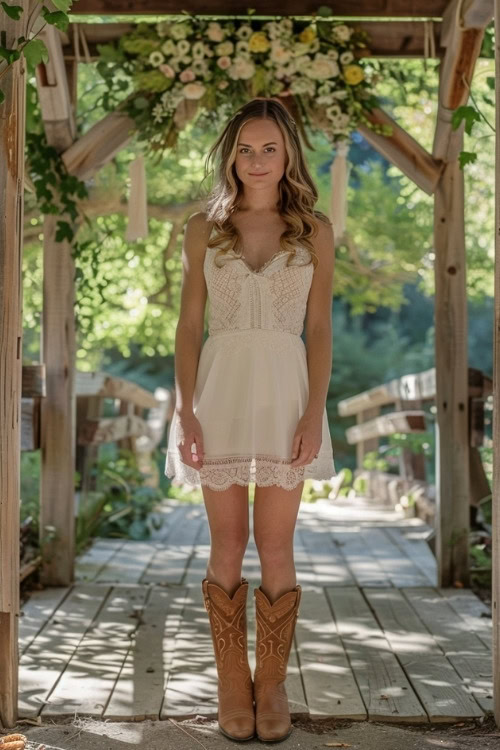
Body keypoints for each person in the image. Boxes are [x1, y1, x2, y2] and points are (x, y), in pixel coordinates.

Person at [165, 97, 336, 743]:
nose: (257, 161)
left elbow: (319, 329)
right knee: (228, 540)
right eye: (245, 149)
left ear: (288, 152)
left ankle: (274, 686)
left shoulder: (313, 229)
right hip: (222, 392)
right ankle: (232, 683)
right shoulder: (202, 228)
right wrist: (187, 411)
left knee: (278, 543)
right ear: (229, 155)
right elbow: (187, 328)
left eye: (269, 148)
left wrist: (315, 413)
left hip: (288, 393)